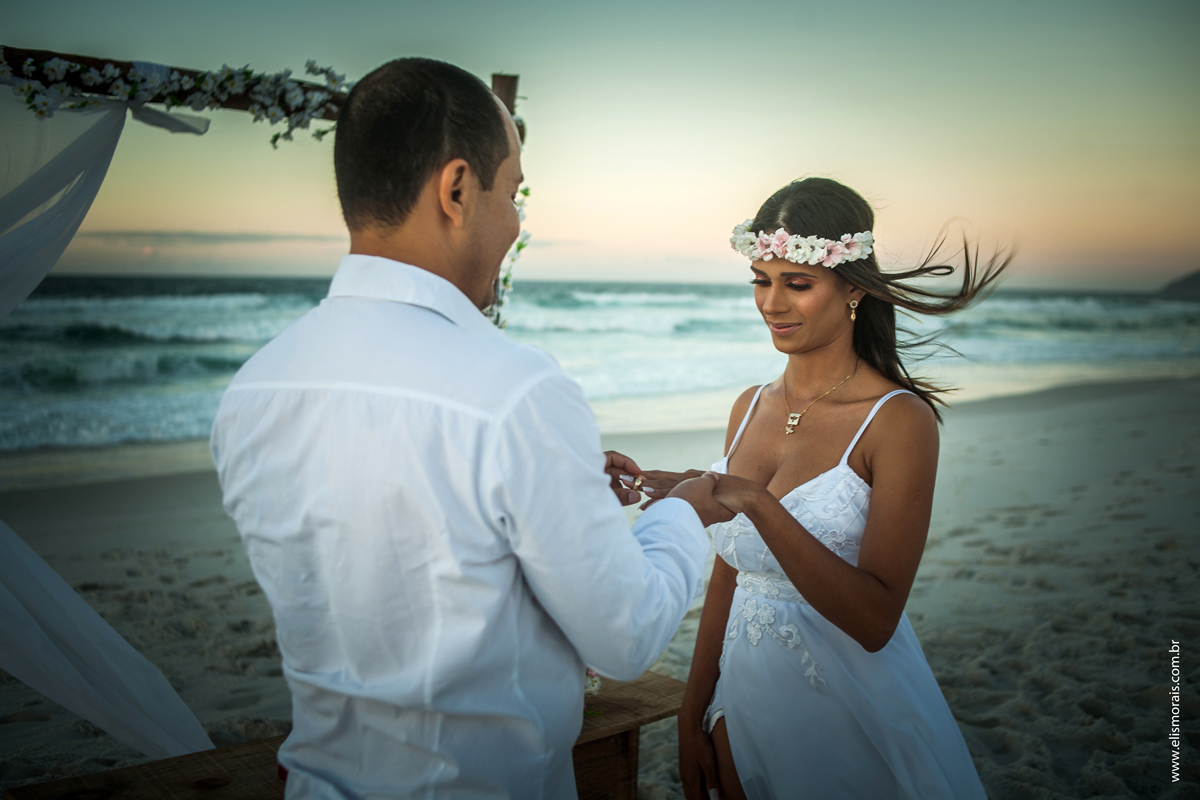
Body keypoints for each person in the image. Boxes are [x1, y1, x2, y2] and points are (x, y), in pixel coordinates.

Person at [210, 58, 731, 800]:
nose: (518, 222)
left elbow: (398, 555)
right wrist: (685, 512)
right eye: (514, 193)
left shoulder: (255, 388)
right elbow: (625, 637)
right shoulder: (515, 392)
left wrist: (563, 494)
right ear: (456, 190)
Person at [633, 178, 1008, 799]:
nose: (771, 303)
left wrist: (753, 501)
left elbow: (875, 619)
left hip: (850, 713)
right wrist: (691, 711)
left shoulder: (896, 420)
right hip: (742, 701)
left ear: (854, 287)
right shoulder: (749, 405)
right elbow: (729, 570)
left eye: (797, 284)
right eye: (760, 278)